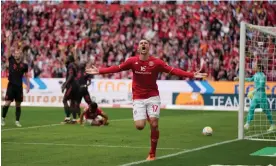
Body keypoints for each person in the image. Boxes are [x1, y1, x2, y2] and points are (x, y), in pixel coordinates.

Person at [85, 39, 207, 160]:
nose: (143, 44)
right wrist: (100, 71)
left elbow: (173, 70)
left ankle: (152, 153)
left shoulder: (157, 62)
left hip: (153, 96)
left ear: (149, 48)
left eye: (146, 43)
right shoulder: (132, 61)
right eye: (141, 43)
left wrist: (191, 74)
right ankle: (148, 117)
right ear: (138, 48)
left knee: (154, 123)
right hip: (138, 97)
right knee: (140, 126)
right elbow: (117, 68)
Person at [235, 64, 275, 131]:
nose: (254, 67)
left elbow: (262, 86)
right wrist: (240, 78)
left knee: (266, 111)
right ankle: (247, 124)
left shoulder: (262, 76)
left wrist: (253, 91)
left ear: (259, 68)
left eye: (256, 66)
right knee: (251, 108)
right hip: (256, 96)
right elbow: (250, 79)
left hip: (262, 96)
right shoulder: (256, 74)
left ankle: (273, 125)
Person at [1, 32, 30, 127]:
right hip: (11, 85)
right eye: (16, 53)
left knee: (18, 105)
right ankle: (2, 118)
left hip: (19, 87)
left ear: (21, 55)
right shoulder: (11, 60)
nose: (17, 54)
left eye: (19, 53)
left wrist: (28, 86)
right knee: (7, 103)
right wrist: (8, 38)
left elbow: (26, 75)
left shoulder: (24, 65)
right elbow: (8, 49)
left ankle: (17, 121)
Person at [61, 54, 79, 124]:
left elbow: (71, 75)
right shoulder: (74, 65)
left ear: (70, 59)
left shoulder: (70, 65)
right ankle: (74, 119)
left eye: (67, 58)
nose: (66, 59)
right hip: (76, 85)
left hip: (71, 85)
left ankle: (68, 118)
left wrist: (65, 84)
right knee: (72, 102)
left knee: (64, 100)